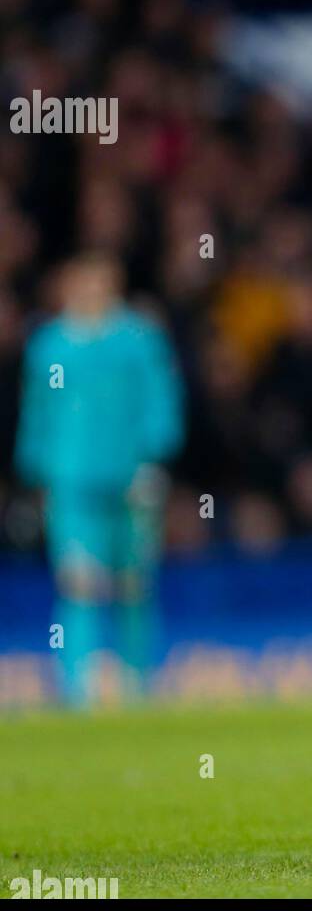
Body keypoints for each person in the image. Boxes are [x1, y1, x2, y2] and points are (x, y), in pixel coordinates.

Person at [15, 253, 185, 706]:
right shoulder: (49, 345)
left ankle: (137, 685)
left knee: (134, 583)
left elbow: (160, 400)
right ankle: (78, 689)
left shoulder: (138, 338)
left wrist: (153, 457)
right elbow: (38, 411)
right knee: (78, 583)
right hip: (71, 478)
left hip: (130, 477)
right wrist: (37, 467)